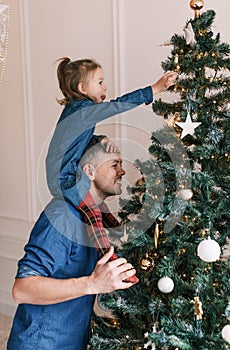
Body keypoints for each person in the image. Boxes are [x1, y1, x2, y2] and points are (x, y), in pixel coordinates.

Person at [45, 57, 177, 276]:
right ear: (82, 88)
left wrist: (100, 139)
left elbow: (73, 142)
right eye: (100, 82)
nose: (105, 87)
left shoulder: (76, 112)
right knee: (93, 213)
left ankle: (118, 233)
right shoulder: (84, 110)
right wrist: (154, 89)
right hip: (65, 179)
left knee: (100, 208)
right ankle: (111, 261)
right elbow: (117, 105)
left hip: (63, 176)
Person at [7, 139, 137, 350]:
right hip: (43, 343)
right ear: (89, 171)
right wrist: (92, 284)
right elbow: (22, 289)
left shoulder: (96, 216)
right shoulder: (62, 216)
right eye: (114, 165)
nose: (122, 171)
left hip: (72, 338)